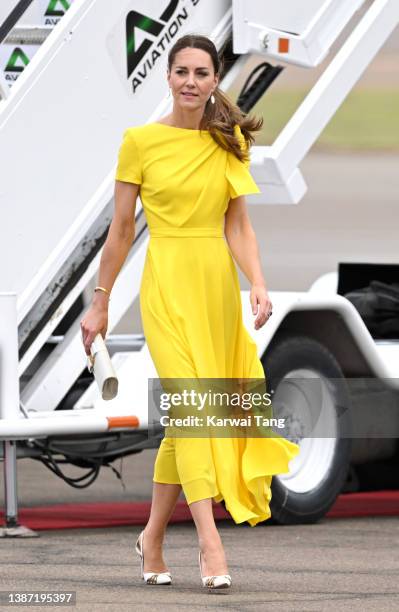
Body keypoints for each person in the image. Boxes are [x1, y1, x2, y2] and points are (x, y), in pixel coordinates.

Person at [80, 33, 300, 590]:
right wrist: (100, 302)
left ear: (214, 79)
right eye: (181, 71)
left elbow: (238, 225)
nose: (189, 82)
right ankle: (210, 542)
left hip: (214, 289)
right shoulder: (140, 142)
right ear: (168, 76)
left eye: (201, 73)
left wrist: (258, 281)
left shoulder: (229, 144)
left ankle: (152, 537)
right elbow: (123, 230)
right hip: (167, 287)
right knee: (195, 409)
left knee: (192, 417)